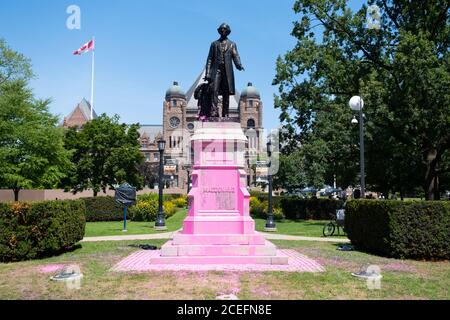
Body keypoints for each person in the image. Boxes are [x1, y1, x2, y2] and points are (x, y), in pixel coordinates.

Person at [204, 23, 245, 118]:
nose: (223, 31)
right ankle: (214, 111)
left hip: (227, 72)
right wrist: (207, 73)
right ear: (219, 31)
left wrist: (239, 65)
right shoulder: (214, 44)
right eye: (222, 29)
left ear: (228, 31)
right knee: (214, 90)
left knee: (226, 92)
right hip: (216, 70)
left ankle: (225, 113)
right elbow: (209, 59)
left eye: (225, 29)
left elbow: (235, 56)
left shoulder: (232, 44)